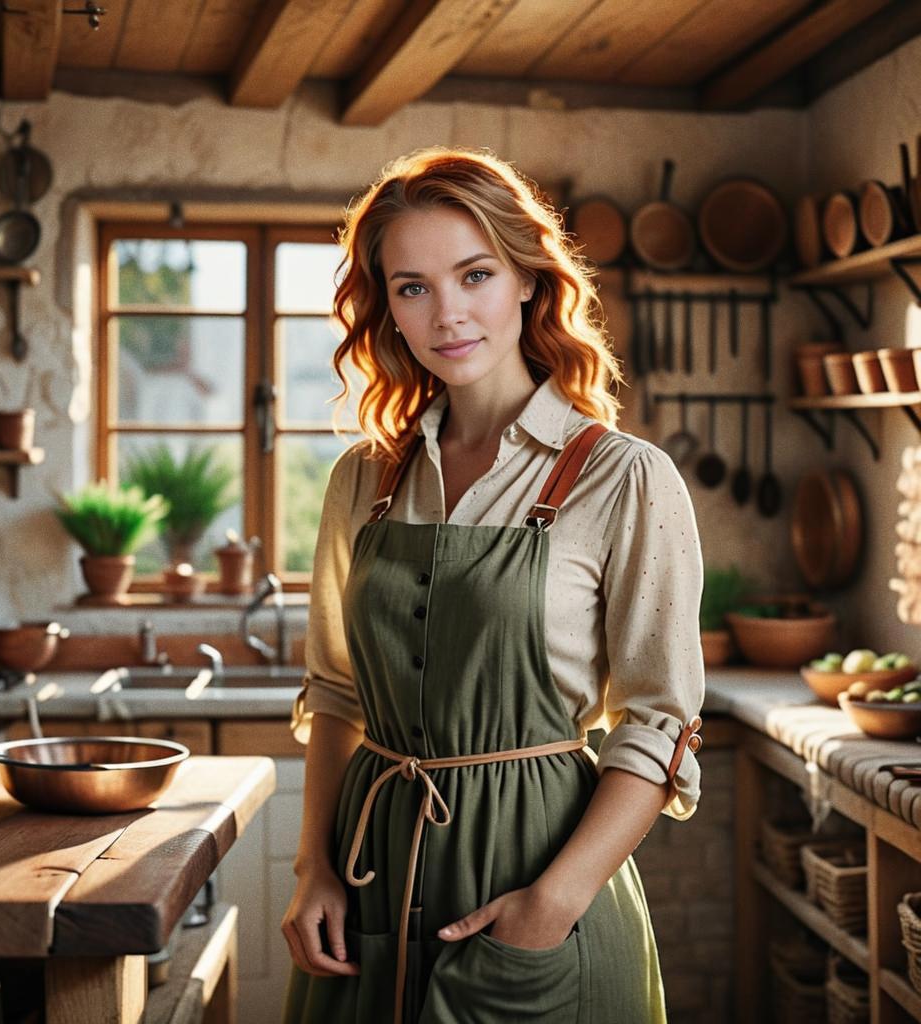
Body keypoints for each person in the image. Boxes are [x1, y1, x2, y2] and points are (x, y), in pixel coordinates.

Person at [281, 147, 705, 1024]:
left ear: (526, 279)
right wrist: (313, 866)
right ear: (386, 309)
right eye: (412, 287)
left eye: (475, 274)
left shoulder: (623, 477)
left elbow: (661, 722)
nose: (448, 314)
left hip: (542, 883)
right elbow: (335, 690)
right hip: (368, 877)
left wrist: (551, 907)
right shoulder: (363, 480)